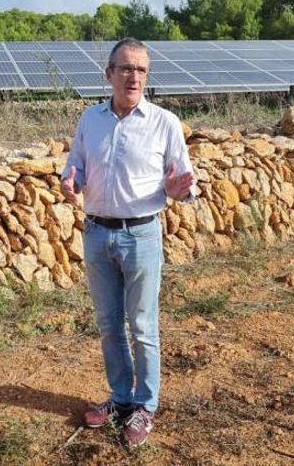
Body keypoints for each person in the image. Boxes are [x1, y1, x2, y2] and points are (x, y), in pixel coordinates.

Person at [60, 37, 196, 448]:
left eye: (140, 70)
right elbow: (76, 165)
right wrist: (71, 180)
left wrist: (175, 189)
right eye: (125, 68)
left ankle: (145, 405)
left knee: (142, 325)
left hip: (141, 234)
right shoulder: (90, 119)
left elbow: (185, 185)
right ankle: (120, 398)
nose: (133, 76)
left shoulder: (164, 123)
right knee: (108, 324)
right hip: (97, 232)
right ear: (109, 74)